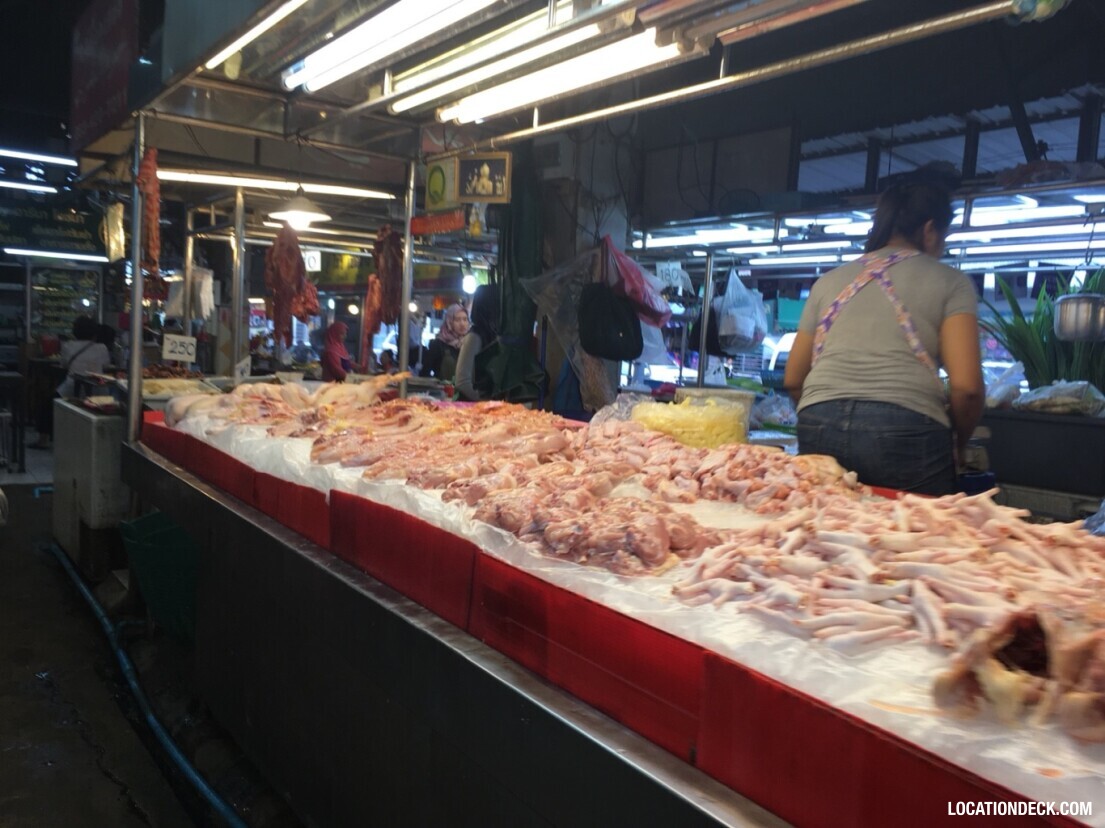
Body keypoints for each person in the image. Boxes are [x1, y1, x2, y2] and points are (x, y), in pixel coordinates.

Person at [783, 181, 984, 496]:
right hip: (906, 429)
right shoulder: (952, 282)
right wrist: (959, 444)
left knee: (824, 534)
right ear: (930, 230)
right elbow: (967, 388)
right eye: (944, 237)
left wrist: (825, 416)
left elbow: (794, 379)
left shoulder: (828, 282)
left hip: (817, 417)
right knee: (914, 538)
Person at [454, 285, 500, 401]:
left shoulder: (491, 334)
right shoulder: (474, 336)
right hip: (470, 408)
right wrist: (485, 402)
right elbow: (462, 381)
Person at [57, 315, 111, 398]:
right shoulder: (102, 348)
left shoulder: (68, 346)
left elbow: (64, 365)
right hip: (97, 390)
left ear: (75, 331)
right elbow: (106, 366)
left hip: (72, 388)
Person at [420, 304, 469, 380]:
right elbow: (424, 374)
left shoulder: (470, 344)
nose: (462, 324)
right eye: (457, 320)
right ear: (449, 322)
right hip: (444, 391)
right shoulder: (438, 344)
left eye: (465, 319)